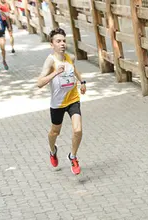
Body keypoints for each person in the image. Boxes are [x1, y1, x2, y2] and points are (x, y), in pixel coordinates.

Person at [36, 28, 86, 175]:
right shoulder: (51, 61)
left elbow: (74, 70)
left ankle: (73, 156)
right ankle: (53, 151)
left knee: (78, 130)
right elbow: (39, 83)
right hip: (57, 104)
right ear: (52, 44)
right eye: (58, 41)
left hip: (73, 100)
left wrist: (82, 81)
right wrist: (55, 72)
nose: (62, 43)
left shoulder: (70, 57)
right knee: (54, 132)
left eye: (64, 40)